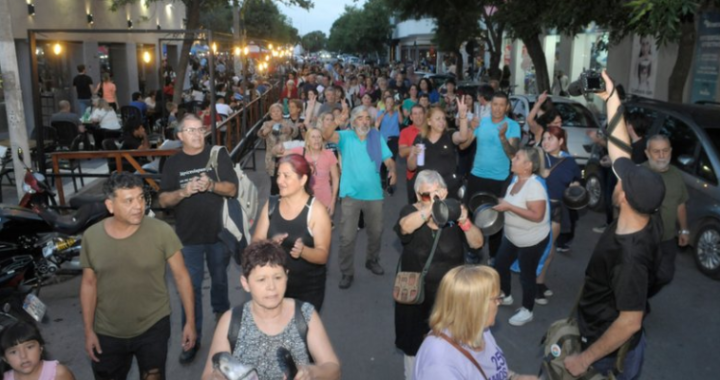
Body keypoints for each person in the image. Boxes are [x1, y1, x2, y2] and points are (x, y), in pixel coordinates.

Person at [564, 70, 666, 380]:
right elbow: (620, 150)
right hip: (592, 327)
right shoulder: (645, 211)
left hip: (605, 352)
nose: (617, 180)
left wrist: (585, 360)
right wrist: (611, 99)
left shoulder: (630, 257)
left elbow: (630, 322)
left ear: (623, 197)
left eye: (622, 181)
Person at [81, 172, 196, 379]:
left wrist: (190, 321)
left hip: (153, 327)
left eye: (141, 198)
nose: (138, 206)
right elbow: (89, 284)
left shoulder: (162, 232)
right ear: (110, 205)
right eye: (129, 201)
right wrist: (88, 330)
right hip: (107, 331)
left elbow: (182, 277)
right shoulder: (92, 237)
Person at [157, 114, 238, 364]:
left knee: (220, 283)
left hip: (218, 233)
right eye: (190, 130)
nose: (197, 133)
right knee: (189, 289)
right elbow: (163, 200)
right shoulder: (172, 164)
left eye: (199, 129)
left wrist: (211, 185)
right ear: (179, 136)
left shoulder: (217, 154)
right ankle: (192, 337)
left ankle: (225, 330)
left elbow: (233, 189)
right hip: (187, 237)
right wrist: (183, 191)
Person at [200, 240, 341, 380]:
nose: (271, 287)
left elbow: (333, 369)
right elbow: (208, 375)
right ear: (245, 283)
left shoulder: (305, 315)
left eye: (278, 277)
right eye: (261, 279)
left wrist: (312, 372)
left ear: (287, 276)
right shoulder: (231, 321)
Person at [395, 171, 484, 380]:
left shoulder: (454, 214)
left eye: (438, 193)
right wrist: (430, 208)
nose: (434, 199)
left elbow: (477, 243)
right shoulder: (411, 211)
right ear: (418, 196)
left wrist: (464, 220)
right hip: (416, 295)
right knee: (413, 345)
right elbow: (405, 227)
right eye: (427, 195)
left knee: (450, 343)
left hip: (449, 296)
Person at [413, 265, 538, 380]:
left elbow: (491, 370)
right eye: (496, 299)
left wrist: (514, 378)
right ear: (475, 307)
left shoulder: (480, 329)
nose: (499, 303)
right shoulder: (439, 364)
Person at [322, 106, 397, 289]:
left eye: (367, 118)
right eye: (360, 118)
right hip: (350, 195)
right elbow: (326, 135)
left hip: (374, 195)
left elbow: (388, 159)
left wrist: (393, 170)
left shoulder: (375, 136)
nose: (364, 121)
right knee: (347, 237)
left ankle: (371, 260)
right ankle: (347, 272)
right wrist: (337, 121)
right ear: (354, 121)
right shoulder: (345, 136)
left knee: (376, 232)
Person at [252, 154, 332, 311]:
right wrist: (268, 244)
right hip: (274, 288)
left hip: (307, 289)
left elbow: (322, 255)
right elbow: (255, 241)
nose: (280, 181)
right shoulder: (272, 204)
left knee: (301, 333)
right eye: (279, 175)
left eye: (286, 176)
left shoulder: (316, 211)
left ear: (302, 180)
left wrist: (303, 251)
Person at [492, 147, 550, 326]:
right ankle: (507, 295)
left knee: (527, 275)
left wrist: (509, 206)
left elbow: (537, 216)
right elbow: (510, 204)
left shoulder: (535, 186)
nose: (513, 159)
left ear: (528, 166)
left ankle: (527, 310)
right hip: (512, 237)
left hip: (531, 240)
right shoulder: (515, 180)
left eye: (517, 158)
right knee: (500, 264)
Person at [461, 92, 521, 260]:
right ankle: (473, 250)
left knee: (495, 220)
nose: (498, 108)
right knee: (471, 215)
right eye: (495, 104)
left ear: (507, 107)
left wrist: (502, 137)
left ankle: (493, 256)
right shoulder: (481, 122)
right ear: (490, 105)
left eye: (502, 105)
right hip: (477, 176)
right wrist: (471, 127)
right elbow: (464, 145)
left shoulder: (512, 126)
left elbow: (513, 154)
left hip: (499, 180)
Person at [535, 127, 581, 305]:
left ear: (561, 141)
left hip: (557, 209)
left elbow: (578, 177)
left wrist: (576, 186)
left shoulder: (569, 161)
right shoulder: (538, 156)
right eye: (544, 138)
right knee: (543, 249)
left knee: (549, 249)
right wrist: (539, 173)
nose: (546, 142)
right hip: (537, 207)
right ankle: (535, 284)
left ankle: (538, 282)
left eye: (551, 138)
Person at [643, 134, 689, 296]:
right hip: (642, 238)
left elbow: (680, 203)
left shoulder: (676, 174)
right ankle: (635, 306)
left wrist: (684, 230)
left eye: (665, 151)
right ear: (647, 153)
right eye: (656, 151)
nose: (662, 155)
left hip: (667, 239)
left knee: (665, 275)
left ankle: (641, 298)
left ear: (671, 151)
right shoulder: (637, 173)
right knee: (639, 276)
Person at [407, 102, 470, 200]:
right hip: (426, 191)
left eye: (443, 118)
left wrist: (462, 117)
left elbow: (463, 137)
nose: (442, 122)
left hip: (448, 189)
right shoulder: (420, 139)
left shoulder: (449, 135)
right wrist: (413, 155)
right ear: (429, 122)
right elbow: (411, 167)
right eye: (438, 119)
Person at [1, 321, 75, 380]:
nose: (23, 356)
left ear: (40, 348)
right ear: (5, 358)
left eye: (29, 347)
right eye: (13, 352)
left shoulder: (58, 374)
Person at [258, 103, 298, 196]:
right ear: (270, 114)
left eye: (278, 111)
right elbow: (260, 135)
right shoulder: (267, 123)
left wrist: (289, 130)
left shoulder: (287, 122)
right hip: (272, 156)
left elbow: (295, 132)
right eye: (273, 112)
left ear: (282, 113)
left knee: (287, 178)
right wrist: (267, 129)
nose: (276, 113)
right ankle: (274, 200)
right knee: (274, 180)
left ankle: (287, 197)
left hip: (286, 155)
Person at [399, 105, 425, 204]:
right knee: (414, 206)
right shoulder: (405, 132)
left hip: (431, 174)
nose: (418, 116)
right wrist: (413, 149)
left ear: (424, 115)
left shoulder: (432, 130)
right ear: (411, 117)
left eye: (420, 113)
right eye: (415, 114)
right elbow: (401, 152)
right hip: (413, 175)